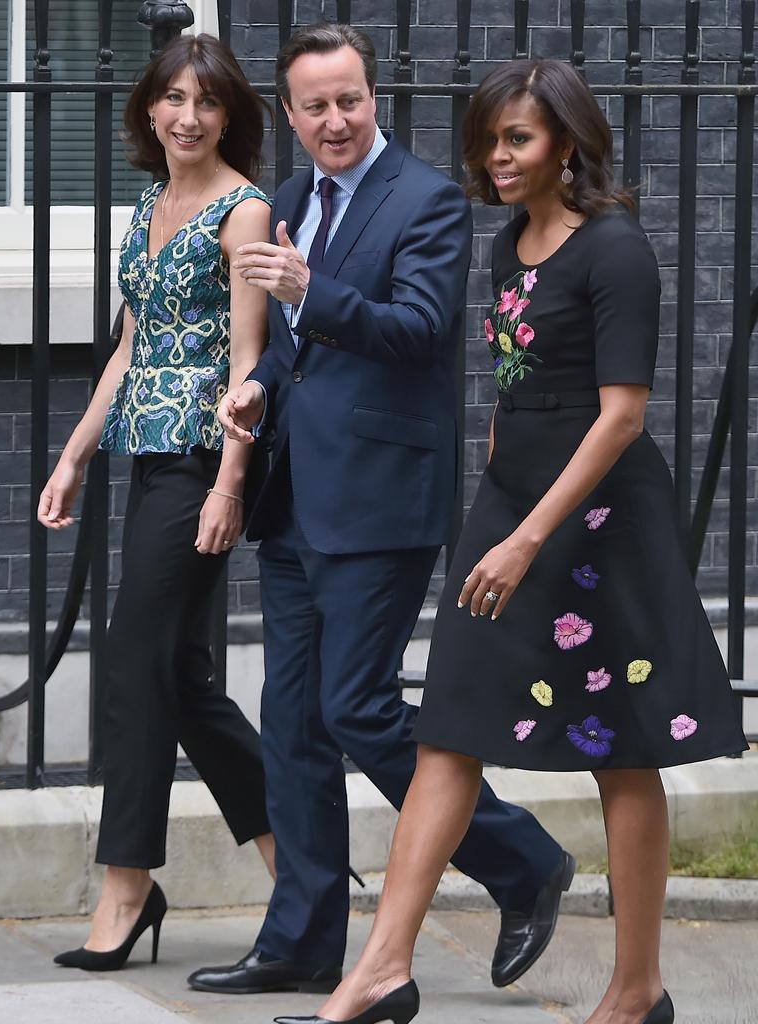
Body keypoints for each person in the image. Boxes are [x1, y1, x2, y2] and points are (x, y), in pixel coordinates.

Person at [277, 58, 750, 1024]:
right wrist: (495, 505)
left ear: (566, 143)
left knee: (622, 750)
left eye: (518, 138)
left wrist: (530, 535)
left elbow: (620, 415)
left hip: (599, 522)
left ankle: (635, 990)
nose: (497, 155)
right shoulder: (507, 248)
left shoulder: (616, 250)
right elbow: (512, 394)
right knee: (448, 727)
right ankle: (379, 972)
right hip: (512, 510)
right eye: (489, 138)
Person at [187, 23, 573, 1001]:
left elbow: (415, 330)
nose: (335, 121)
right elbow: (293, 344)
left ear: (375, 97)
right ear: (289, 113)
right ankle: (303, 937)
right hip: (293, 498)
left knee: (356, 709)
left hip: (382, 502)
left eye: (349, 100)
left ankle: (523, 859)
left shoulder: (428, 200)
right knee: (294, 721)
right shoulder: (287, 199)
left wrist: (312, 290)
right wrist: (258, 387)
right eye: (314, 106)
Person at [38, 33, 277, 971]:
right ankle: (293, 859)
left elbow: (250, 363)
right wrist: (69, 459)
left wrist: (230, 480)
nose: (188, 115)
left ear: (228, 116)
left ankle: (127, 882)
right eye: (173, 98)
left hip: (200, 463)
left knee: (136, 663)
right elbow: (130, 351)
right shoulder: (147, 206)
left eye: (207, 102)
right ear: (150, 109)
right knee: (179, 677)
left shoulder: (243, 210)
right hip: (144, 455)